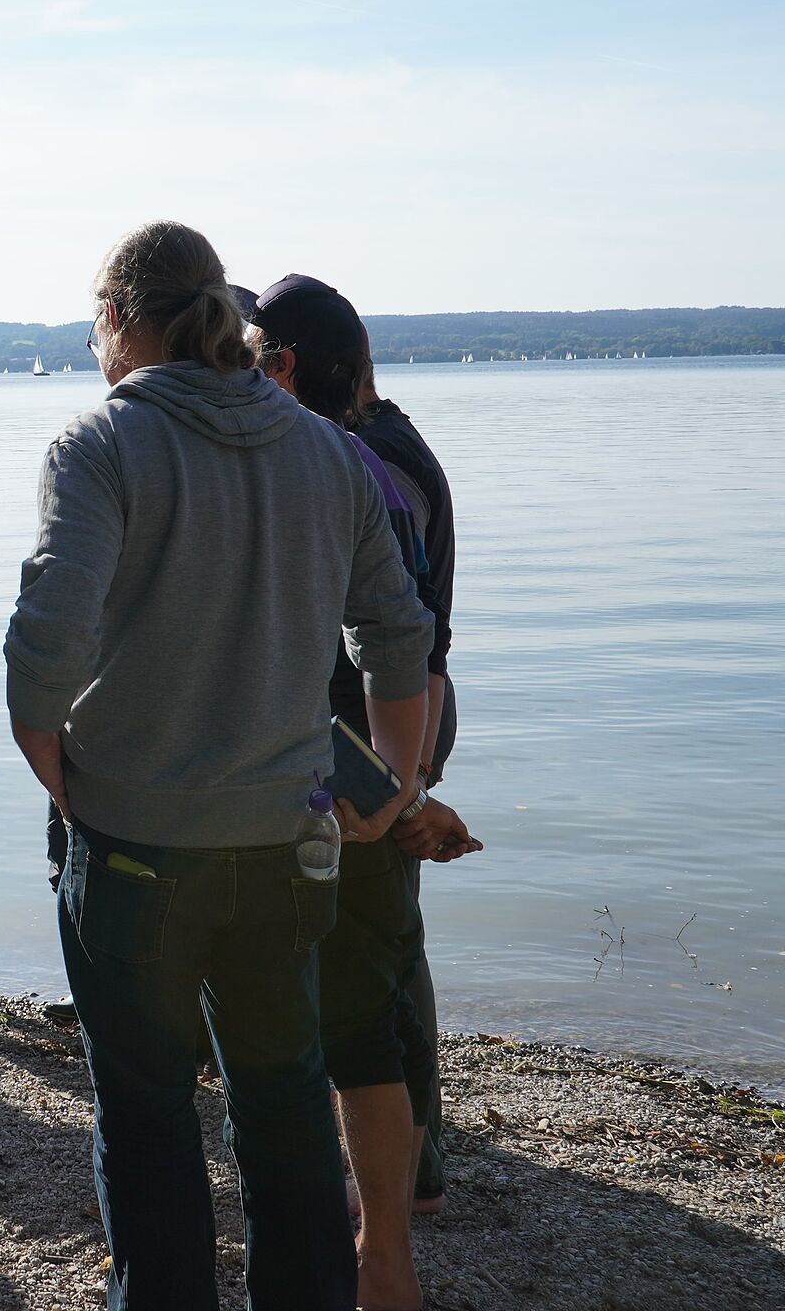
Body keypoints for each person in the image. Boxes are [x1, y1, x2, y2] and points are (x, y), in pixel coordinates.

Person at [3, 221, 433, 1311]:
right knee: (284, 1103)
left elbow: (42, 655)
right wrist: (391, 785)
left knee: (147, 1114)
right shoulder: (328, 452)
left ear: (115, 322)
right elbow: (399, 633)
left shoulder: (97, 446)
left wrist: (70, 782)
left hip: (136, 846)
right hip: (290, 838)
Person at [253, 272, 478, 1311]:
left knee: (354, 988)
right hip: (396, 730)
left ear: (285, 364)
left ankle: (387, 1225)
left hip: (353, 745)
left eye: (251, 358)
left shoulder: (335, 465)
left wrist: (391, 781)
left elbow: (380, 638)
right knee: (383, 970)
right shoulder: (397, 442)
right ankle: (400, 1207)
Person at [354, 360, 460, 1210]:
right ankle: (403, 1177)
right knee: (386, 951)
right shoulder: (378, 446)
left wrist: (410, 788)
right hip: (393, 725)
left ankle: (405, 1182)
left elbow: (405, 636)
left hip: (384, 729)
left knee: (380, 960)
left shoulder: (365, 461)